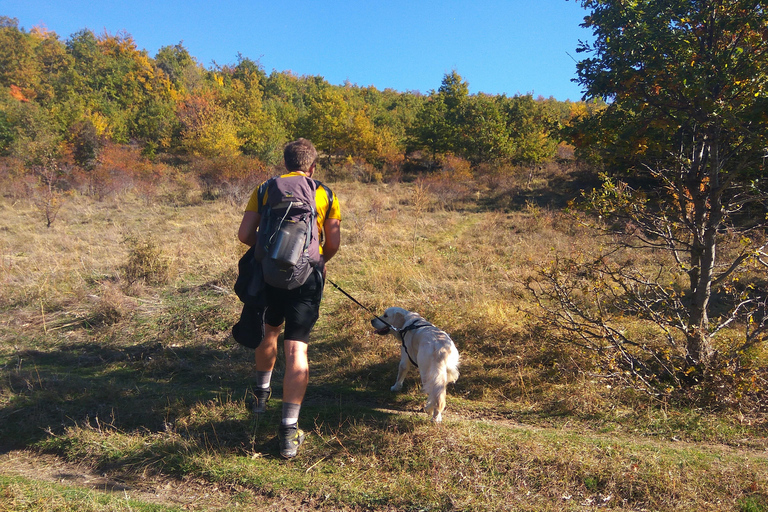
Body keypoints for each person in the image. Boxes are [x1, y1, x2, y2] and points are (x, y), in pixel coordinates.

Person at [237, 138, 341, 458]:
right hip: (306, 278)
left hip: (269, 275)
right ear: (312, 166)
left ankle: (260, 398)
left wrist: (271, 251)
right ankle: (288, 433)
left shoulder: (265, 189)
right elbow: (333, 243)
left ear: (285, 163)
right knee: (296, 348)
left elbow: (244, 235)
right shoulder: (325, 193)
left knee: (269, 331)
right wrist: (315, 258)